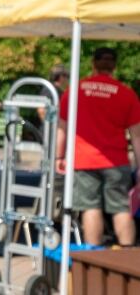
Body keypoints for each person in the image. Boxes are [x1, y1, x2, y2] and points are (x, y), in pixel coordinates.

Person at [56, 47, 140, 247]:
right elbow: (137, 135)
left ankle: (93, 256)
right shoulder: (126, 94)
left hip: (83, 160)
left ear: (93, 64)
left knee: (90, 208)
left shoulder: (75, 91)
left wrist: (59, 157)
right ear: (115, 66)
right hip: (116, 161)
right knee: (121, 208)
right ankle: (127, 256)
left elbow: (62, 128)